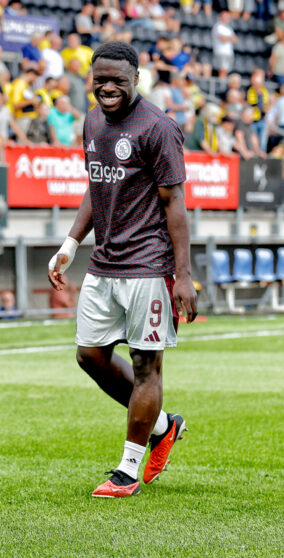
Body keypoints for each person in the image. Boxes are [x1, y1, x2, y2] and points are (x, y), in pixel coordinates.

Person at [48, 41, 197, 498]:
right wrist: (71, 243)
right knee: (88, 355)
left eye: (118, 80)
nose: (108, 88)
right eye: (100, 80)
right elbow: (95, 187)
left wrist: (184, 275)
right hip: (104, 262)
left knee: (145, 364)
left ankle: (127, 470)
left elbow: (175, 205)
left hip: (149, 265)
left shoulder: (158, 128)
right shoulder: (92, 121)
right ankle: (164, 425)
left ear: (137, 79)